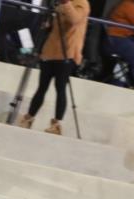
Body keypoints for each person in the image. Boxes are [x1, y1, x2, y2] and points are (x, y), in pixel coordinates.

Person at [17, 0, 90, 136]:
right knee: (41, 87)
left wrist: (65, 4)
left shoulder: (81, 3)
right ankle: (29, 118)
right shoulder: (61, 4)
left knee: (60, 88)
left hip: (67, 53)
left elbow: (74, 20)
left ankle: (56, 125)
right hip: (50, 52)